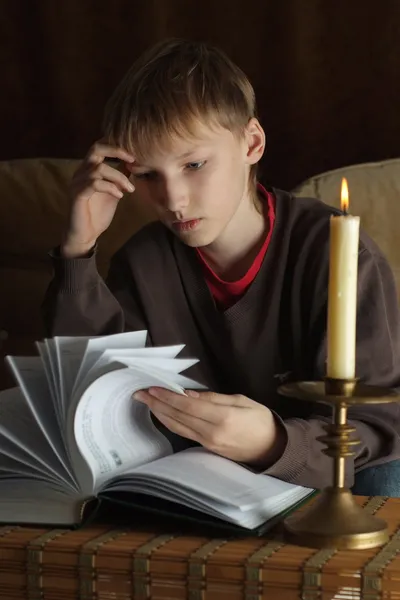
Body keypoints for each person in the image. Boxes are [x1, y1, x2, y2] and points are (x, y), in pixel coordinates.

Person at [42, 38, 400, 495]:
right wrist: (78, 249)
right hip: (200, 480)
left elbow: (377, 428)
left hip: (320, 473)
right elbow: (89, 402)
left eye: (194, 164)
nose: (173, 200)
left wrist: (272, 443)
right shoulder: (142, 260)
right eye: (149, 175)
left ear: (251, 142)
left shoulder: (336, 253)